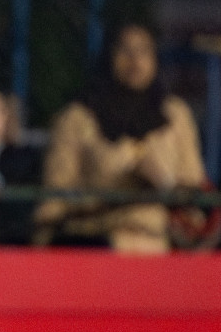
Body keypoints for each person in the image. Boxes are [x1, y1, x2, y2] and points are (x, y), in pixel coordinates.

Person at [34, 23, 208, 254]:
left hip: (162, 253)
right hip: (98, 250)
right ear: (109, 56)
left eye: (143, 51)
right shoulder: (77, 119)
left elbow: (196, 194)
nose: (135, 61)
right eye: (125, 50)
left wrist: (164, 185)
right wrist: (117, 188)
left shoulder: (174, 116)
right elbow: (53, 204)